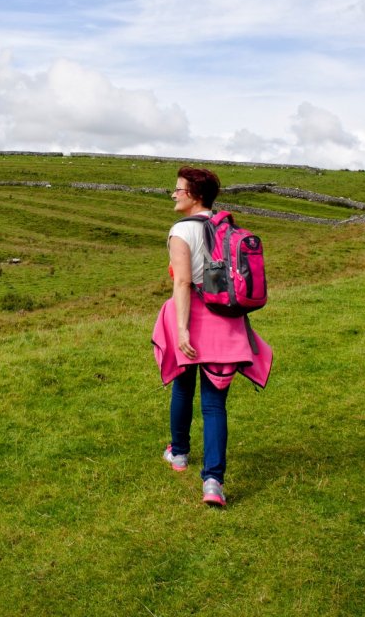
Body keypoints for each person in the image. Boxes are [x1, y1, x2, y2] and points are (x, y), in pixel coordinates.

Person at [158, 166, 248, 507]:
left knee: (183, 386)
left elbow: (181, 282)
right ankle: (213, 483)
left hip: (192, 315)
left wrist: (181, 328)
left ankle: (179, 453)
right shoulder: (227, 228)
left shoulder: (182, 230)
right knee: (214, 404)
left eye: (178, 189)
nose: (174, 193)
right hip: (225, 320)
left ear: (194, 195)